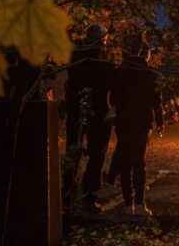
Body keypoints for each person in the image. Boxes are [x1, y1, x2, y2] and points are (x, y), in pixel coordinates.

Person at [63, 25, 114, 213]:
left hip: (76, 108)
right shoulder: (104, 58)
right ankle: (89, 194)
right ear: (102, 39)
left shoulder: (75, 55)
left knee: (73, 148)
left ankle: (67, 193)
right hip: (99, 109)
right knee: (97, 153)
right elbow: (111, 83)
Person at [109, 38, 163, 215]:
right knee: (139, 161)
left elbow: (113, 98)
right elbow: (157, 102)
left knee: (125, 161)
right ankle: (140, 203)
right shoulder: (152, 75)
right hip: (143, 122)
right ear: (146, 55)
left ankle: (127, 203)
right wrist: (160, 122)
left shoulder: (120, 73)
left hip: (124, 121)